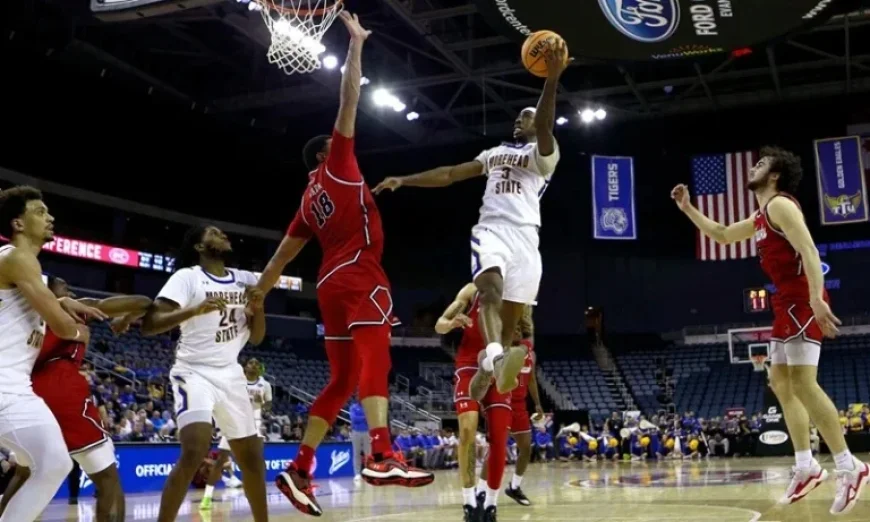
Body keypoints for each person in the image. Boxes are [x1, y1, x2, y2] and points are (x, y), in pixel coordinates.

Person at [253, 12, 433, 517]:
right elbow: (348, 95)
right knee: (378, 357)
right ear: (326, 152)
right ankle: (381, 452)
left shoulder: (308, 202)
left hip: (328, 285)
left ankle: (298, 468)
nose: (349, 142)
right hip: (359, 274)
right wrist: (356, 45)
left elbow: (281, 256)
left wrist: (259, 294)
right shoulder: (338, 165)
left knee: (339, 382)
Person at [672, 146, 869, 514]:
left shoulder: (780, 204)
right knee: (780, 382)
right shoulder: (762, 215)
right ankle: (806, 464)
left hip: (802, 297)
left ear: (775, 175)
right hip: (786, 301)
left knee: (804, 384)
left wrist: (816, 299)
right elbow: (724, 234)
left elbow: (810, 251)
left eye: (761, 163)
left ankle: (850, 466)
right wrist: (687, 208)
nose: (753, 166)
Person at [374, 39, 568, 404]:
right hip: (491, 230)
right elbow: (449, 173)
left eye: (524, 116)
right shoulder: (493, 154)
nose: (518, 120)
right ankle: (494, 357)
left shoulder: (545, 157)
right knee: (489, 291)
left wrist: (551, 80)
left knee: (511, 329)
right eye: (518, 117)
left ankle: (487, 365)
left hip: (527, 240)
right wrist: (406, 179)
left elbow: (544, 121)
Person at [141, 224, 269, 522]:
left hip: (230, 373)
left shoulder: (246, 280)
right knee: (195, 448)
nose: (222, 235)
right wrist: (194, 311)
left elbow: (258, 337)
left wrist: (259, 308)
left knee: (252, 459)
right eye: (213, 233)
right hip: (194, 372)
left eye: (223, 232)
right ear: (199, 247)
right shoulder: (187, 278)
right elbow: (150, 324)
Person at [0, 276, 152, 521]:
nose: (69, 291)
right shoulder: (66, 309)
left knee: (24, 474)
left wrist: (126, 317)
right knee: (107, 479)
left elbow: (142, 304)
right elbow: (144, 302)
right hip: (62, 391)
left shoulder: (18, 314)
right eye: (63, 288)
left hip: (26, 393)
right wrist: (123, 316)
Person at [0, 186, 106, 522]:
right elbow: (61, 328)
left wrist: (60, 301)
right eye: (41, 211)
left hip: (13, 386)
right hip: (6, 387)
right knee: (55, 463)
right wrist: (80, 331)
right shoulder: (16, 257)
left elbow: (33, 302)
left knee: (40, 464)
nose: (51, 218)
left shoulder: (22, 267)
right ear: (18, 223)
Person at [436, 283, 512, 522]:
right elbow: (440, 324)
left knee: (499, 438)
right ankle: (469, 501)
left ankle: (489, 501)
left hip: (499, 365)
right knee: (467, 429)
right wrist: (451, 323)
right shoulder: (472, 290)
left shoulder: (517, 293)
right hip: (469, 364)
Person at [199, 357, 272, 510]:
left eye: (257, 363)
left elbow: (268, 408)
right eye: (251, 362)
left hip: (255, 425)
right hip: (234, 423)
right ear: (245, 367)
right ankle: (207, 497)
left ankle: (258, 495)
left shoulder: (265, 385)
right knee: (220, 461)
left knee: (257, 463)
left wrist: (262, 404)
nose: (255, 365)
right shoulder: (235, 382)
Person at [503, 307, 542, 506]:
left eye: (520, 329)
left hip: (520, 406)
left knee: (526, 448)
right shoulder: (500, 351)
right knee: (497, 449)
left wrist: (537, 404)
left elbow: (532, 380)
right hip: (501, 403)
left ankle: (515, 487)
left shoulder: (528, 351)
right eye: (514, 329)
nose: (518, 331)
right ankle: (481, 490)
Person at [349, 400, 370, 482]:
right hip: (356, 432)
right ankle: (357, 474)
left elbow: (370, 418)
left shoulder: (368, 406)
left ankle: (369, 473)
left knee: (368, 454)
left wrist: (361, 417)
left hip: (367, 432)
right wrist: (364, 417)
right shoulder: (353, 407)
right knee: (356, 453)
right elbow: (354, 419)